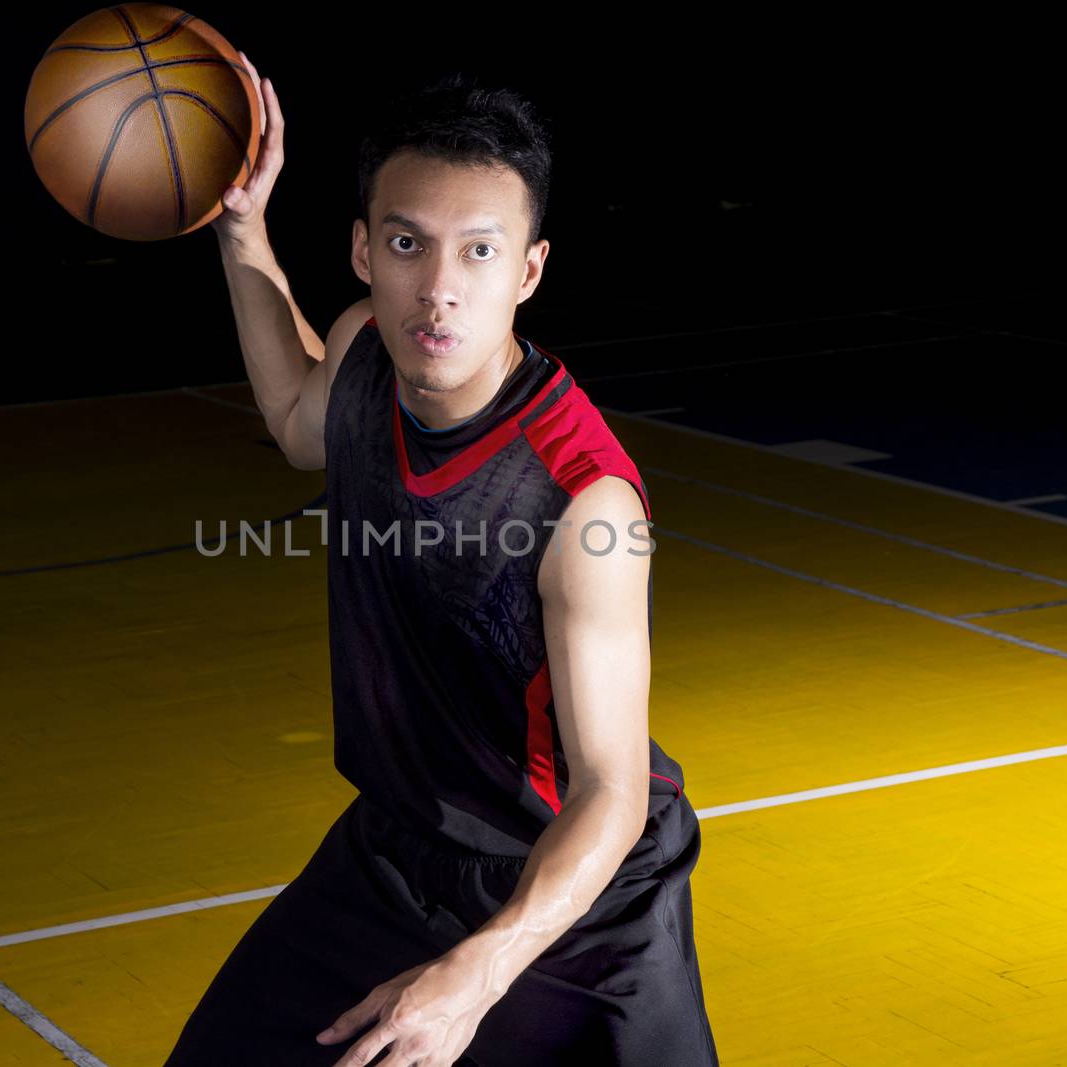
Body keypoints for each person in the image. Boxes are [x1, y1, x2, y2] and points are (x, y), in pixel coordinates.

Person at [165, 58, 718, 1067]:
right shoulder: (366, 346)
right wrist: (241, 231)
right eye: (410, 245)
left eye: (479, 251)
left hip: (572, 895)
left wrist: (482, 964)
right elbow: (300, 423)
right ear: (364, 250)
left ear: (529, 271)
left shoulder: (581, 500)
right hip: (398, 851)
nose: (439, 289)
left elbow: (610, 788)